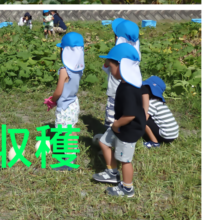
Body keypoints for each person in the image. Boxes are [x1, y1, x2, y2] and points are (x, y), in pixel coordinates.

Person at [93, 43, 145, 197]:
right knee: (103, 142)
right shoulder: (126, 82)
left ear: (122, 66)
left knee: (125, 160)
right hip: (120, 125)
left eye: (111, 66)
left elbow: (130, 115)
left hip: (128, 129)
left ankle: (128, 188)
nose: (108, 69)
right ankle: (112, 173)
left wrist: (116, 124)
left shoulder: (129, 89)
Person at [44, 32, 85, 171]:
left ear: (63, 51)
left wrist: (52, 100)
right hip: (74, 102)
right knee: (71, 128)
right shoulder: (79, 69)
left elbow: (59, 91)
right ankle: (72, 154)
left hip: (65, 105)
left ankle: (68, 161)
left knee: (64, 132)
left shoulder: (64, 71)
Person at [142, 76, 179, 148]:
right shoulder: (159, 103)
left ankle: (154, 142)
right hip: (173, 135)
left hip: (166, 135)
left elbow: (143, 119)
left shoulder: (151, 103)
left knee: (142, 120)